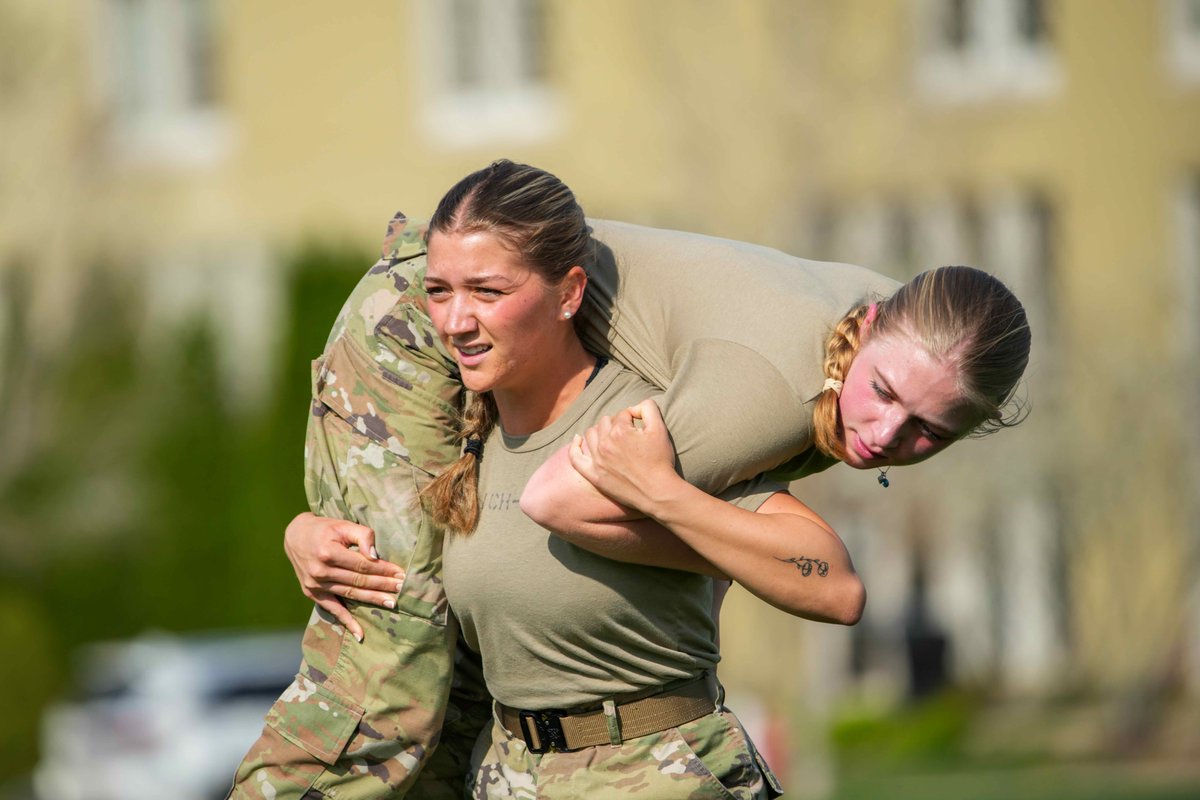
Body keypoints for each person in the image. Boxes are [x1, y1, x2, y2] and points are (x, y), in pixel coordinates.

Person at [236, 159, 1030, 798]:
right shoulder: (766, 393)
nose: (887, 435)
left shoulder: (909, 334)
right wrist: (691, 514)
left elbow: (817, 580)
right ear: (874, 324)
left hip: (636, 757)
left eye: (930, 430)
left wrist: (695, 524)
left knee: (460, 680)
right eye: (885, 395)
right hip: (418, 308)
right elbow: (554, 500)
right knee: (399, 647)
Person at [416, 161, 868, 796]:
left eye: (488, 292)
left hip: (659, 773)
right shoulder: (457, 429)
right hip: (506, 774)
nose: (455, 320)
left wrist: (667, 499)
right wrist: (308, 534)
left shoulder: (640, 421)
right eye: (439, 291)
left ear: (570, 293)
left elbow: (835, 587)